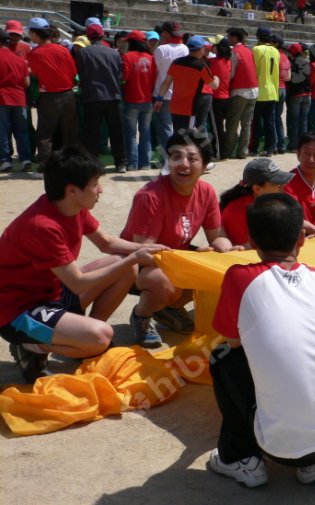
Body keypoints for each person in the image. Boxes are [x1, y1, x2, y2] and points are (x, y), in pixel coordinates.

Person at [208, 193, 315, 487]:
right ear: (303, 239)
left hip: (281, 449)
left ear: (252, 242)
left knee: (223, 357)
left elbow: (232, 342)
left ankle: (239, 457)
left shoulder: (240, 279)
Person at [0, 147, 164, 383]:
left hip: (52, 293)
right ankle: (28, 346)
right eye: (95, 183)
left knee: (124, 266)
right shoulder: (42, 225)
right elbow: (77, 283)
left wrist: (146, 250)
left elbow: (107, 243)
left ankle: (82, 336)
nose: (101, 190)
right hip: (17, 310)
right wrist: (135, 257)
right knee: (101, 336)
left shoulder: (71, 207)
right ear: (73, 191)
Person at [121, 130, 238, 347]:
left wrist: (228, 250)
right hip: (137, 264)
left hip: (175, 258)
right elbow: (144, 252)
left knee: (218, 272)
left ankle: (169, 310)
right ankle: (142, 315)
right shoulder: (151, 196)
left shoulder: (206, 191)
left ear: (204, 166)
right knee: (164, 283)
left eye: (192, 159)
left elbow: (217, 237)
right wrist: (191, 257)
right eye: (176, 157)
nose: (183, 164)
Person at [26, 18, 78, 174]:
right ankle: (72, 165)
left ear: (35, 34)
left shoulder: (35, 53)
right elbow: (73, 72)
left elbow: (35, 73)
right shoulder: (63, 49)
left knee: (45, 133)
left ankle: (44, 167)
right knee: (69, 131)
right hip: (68, 95)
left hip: (49, 97)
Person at [74, 24, 127, 172]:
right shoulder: (114, 53)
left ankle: (92, 163)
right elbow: (119, 74)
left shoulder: (83, 53)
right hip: (113, 96)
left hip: (92, 96)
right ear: (102, 36)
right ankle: (121, 162)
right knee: (116, 131)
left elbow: (81, 75)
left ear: (88, 37)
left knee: (92, 133)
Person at [220, 159, 294, 248]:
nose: (283, 187)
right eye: (278, 184)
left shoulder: (271, 202)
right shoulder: (236, 213)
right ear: (257, 189)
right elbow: (246, 251)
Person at [155, 36, 219, 135]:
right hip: (189, 108)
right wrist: (216, 77)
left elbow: (166, 82)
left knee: (177, 134)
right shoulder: (201, 66)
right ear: (200, 49)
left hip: (175, 106)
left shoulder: (176, 63)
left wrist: (159, 99)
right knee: (187, 138)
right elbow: (214, 85)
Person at [121, 30, 157, 172]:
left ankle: (132, 164)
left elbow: (124, 77)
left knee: (131, 134)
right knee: (145, 133)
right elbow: (154, 79)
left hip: (131, 100)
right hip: (148, 100)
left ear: (131, 42)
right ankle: (145, 163)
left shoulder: (127, 57)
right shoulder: (151, 58)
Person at [285, 133, 315, 235]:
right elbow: (290, 219)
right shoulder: (287, 183)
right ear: (298, 155)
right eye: (306, 153)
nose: (311, 159)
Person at [152, 21, 188, 158]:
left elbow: (156, 70)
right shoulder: (185, 48)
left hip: (163, 94)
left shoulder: (161, 49)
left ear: (166, 33)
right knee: (177, 129)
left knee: (165, 128)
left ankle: (170, 158)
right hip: (179, 94)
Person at [224, 27, 258, 160]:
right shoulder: (248, 50)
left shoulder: (234, 52)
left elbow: (231, 73)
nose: (228, 39)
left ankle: (229, 149)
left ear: (233, 38)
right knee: (246, 123)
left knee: (233, 122)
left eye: (229, 37)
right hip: (253, 90)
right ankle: (243, 150)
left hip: (240, 90)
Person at [0, 28, 31, 173]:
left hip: (2, 98)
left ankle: (5, 160)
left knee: (2, 131)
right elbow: (27, 84)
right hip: (19, 98)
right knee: (22, 131)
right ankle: (26, 159)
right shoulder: (20, 61)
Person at [247, 27, 279, 156]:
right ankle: (270, 147)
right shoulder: (275, 51)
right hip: (272, 90)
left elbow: (253, 69)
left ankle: (254, 147)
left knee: (256, 122)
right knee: (269, 121)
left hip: (260, 90)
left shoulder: (256, 50)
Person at [208, 37, 232, 159]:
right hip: (226, 96)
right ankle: (224, 150)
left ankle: (219, 152)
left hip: (216, 97)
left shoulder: (212, 62)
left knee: (216, 128)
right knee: (222, 127)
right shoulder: (228, 62)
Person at [285, 43, 311, 150]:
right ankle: (303, 145)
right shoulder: (306, 63)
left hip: (296, 94)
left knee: (294, 121)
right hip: (307, 94)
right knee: (303, 121)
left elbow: (290, 79)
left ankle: (293, 144)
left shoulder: (291, 64)